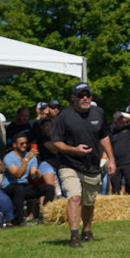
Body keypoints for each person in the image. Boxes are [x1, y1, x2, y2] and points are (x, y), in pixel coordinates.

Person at [47, 82, 116, 248]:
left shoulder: (98, 113)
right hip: (68, 163)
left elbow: (104, 136)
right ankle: (74, 236)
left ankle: (86, 230)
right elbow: (56, 143)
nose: (85, 98)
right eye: (80, 95)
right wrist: (74, 150)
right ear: (73, 98)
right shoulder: (64, 116)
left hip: (91, 165)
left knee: (88, 202)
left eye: (87, 95)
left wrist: (111, 159)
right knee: (74, 197)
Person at [1, 130, 55, 225]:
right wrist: (26, 160)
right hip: (9, 187)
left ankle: (45, 216)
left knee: (49, 188)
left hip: (23, 186)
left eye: (26, 143)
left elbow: (33, 175)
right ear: (14, 145)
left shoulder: (31, 156)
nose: (25, 145)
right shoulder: (8, 158)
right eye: (21, 143)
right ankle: (19, 220)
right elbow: (18, 175)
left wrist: (37, 174)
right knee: (19, 188)